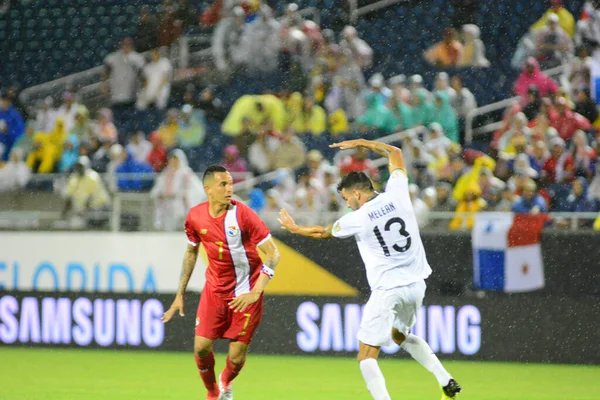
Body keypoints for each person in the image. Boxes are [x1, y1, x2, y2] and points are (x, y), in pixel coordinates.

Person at [278, 139, 461, 400]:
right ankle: (446, 381)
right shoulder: (398, 193)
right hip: (417, 286)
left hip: (388, 290)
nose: (347, 204)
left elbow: (322, 232)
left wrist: (295, 229)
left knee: (366, 355)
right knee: (400, 336)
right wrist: (363, 143)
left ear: (356, 193)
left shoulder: (359, 218)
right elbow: (395, 152)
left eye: (346, 199)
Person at [161, 165, 281, 400]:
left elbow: (273, 253)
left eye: (230, 184)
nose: (229, 189)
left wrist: (256, 292)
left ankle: (225, 381)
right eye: (223, 184)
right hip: (214, 292)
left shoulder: (243, 214)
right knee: (201, 348)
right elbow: (191, 252)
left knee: (236, 358)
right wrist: (180, 294)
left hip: (246, 293)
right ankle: (213, 393)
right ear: (208, 189)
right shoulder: (195, 216)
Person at [150, 150, 207, 231]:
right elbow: (158, 187)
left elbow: (197, 189)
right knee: (168, 228)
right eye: (172, 159)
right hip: (167, 204)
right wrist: (159, 194)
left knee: (182, 228)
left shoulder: (186, 172)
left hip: (180, 203)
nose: (173, 161)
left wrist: (185, 194)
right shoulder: (166, 172)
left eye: (176, 159)